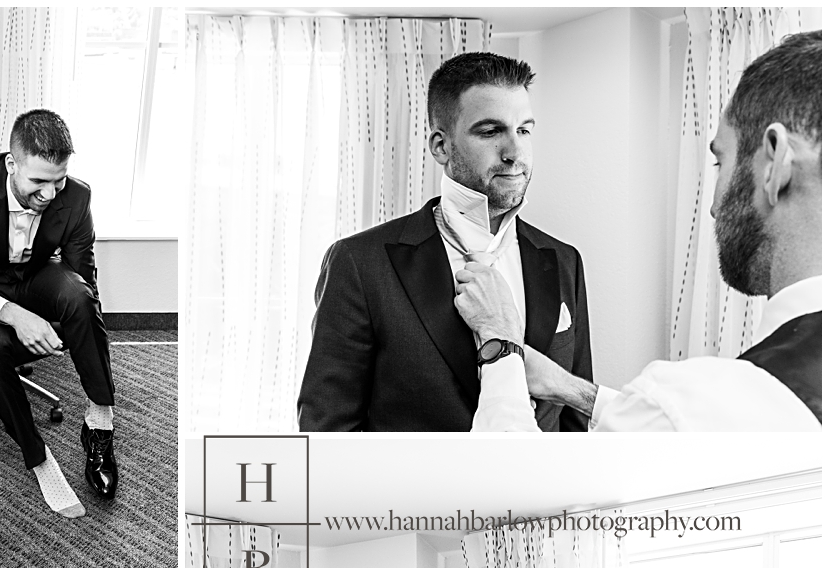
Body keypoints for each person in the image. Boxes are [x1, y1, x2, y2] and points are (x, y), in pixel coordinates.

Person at [463, 31, 820, 431]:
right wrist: (566, 387)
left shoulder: (687, 405)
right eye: (491, 131)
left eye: (721, 163)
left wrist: (502, 342)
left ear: (776, 162)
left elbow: (516, 480)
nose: (714, 208)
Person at [297, 52, 592, 432]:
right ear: (440, 146)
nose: (514, 153)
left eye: (524, 130)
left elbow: (575, 427)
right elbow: (326, 431)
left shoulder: (564, 260)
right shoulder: (359, 262)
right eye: (490, 132)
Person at [0, 108, 119, 517]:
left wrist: (83, 324)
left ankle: (100, 423)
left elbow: (81, 271)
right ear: (11, 164)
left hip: (32, 275)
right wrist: (16, 315)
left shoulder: (76, 196)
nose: (50, 194)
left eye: (59, 180)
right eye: (38, 181)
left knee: (80, 297)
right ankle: (38, 457)